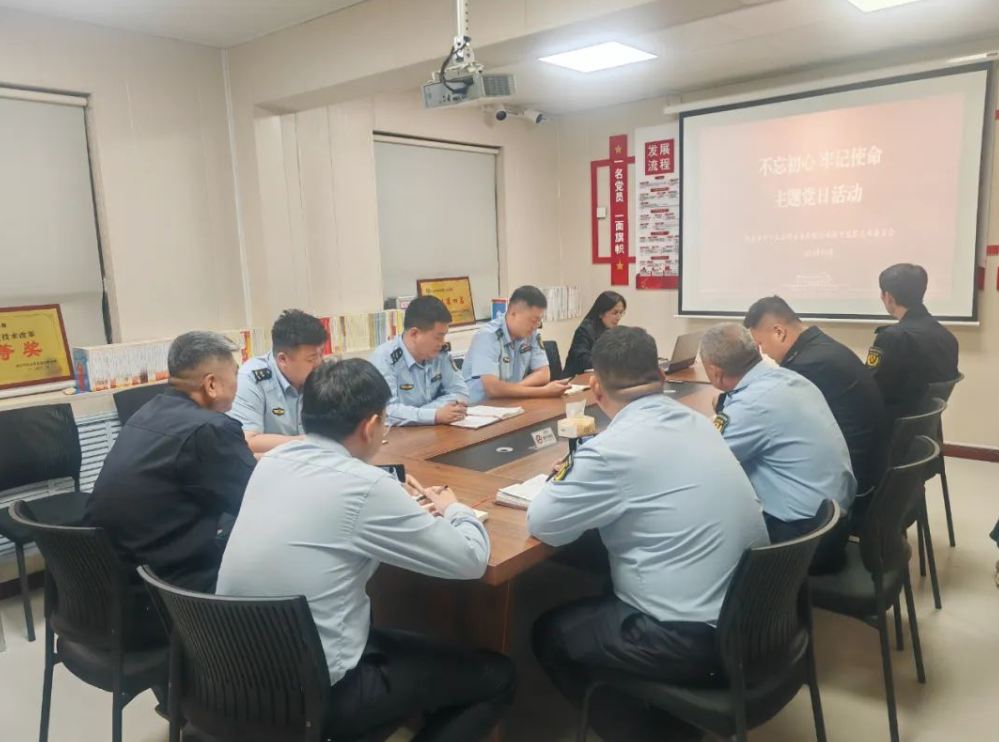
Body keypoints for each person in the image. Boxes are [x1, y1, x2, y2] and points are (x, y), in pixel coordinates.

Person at [216, 359, 515, 742]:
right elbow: (470, 560)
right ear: (371, 426)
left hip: (233, 676)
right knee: (498, 677)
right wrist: (454, 509)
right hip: (314, 695)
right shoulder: (368, 485)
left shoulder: (272, 461)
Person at [529, 327, 769, 742]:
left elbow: (543, 523)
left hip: (694, 641)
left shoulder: (611, 450)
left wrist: (575, 476)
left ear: (595, 387)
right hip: (757, 620)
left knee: (549, 634)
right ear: (660, 376)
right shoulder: (698, 423)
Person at [86, 331, 256, 649]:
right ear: (211, 384)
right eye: (235, 374)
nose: (238, 384)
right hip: (166, 597)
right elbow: (256, 501)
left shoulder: (149, 411)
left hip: (115, 589)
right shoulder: (211, 429)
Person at [700, 323, 855, 572]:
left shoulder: (753, 405)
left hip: (803, 539)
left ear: (716, 373)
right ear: (755, 349)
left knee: (703, 516)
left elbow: (704, 463)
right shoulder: (790, 379)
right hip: (832, 522)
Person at [745, 296, 886, 493]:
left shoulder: (806, 366)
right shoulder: (821, 346)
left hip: (851, 476)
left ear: (779, 332)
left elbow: (775, 423)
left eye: (761, 343)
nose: (763, 352)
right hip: (871, 462)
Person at [866, 263, 959, 421]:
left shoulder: (892, 337)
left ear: (889, 297)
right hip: (926, 428)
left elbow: (871, 388)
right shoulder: (946, 336)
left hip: (891, 427)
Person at [230, 309, 327, 454]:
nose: (319, 363)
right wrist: (309, 443)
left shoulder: (321, 374)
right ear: (283, 359)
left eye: (321, 354)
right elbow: (247, 441)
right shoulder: (251, 378)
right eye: (311, 358)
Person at [369, 296, 469, 426]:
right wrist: (434, 415)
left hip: (435, 430)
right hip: (399, 435)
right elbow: (386, 412)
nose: (442, 343)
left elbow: (460, 393)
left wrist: (424, 415)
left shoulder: (439, 354)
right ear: (414, 334)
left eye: (444, 336)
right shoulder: (385, 359)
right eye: (438, 337)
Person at [462, 285, 570, 403]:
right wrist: (543, 391)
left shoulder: (532, 334)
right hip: (479, 408)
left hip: (510, 402)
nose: (535, 326)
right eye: (533, 320)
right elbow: (492, 389)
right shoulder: (488, 336)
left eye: (539, 321)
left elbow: (543, 373)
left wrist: (514, 389)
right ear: (513, 314)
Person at [562, 290, 627, 378]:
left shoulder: (612, 331)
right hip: (575, 379)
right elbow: (583, 360)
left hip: (600, 378)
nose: (618, 317)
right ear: (601, 313)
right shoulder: (585, 330)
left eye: (621, 312)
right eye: (615, 313)